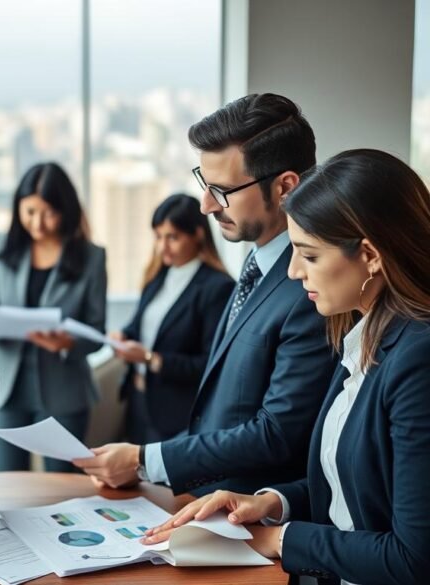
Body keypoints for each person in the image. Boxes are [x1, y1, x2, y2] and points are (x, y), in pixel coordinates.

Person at [145, 149, 430, 585]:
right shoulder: (360, 336)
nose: (295, 272)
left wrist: (279, 539)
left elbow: (413, 558)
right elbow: (353, 490)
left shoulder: (416, 359)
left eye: (309, 255)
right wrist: (270, 503)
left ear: (370, 255)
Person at [76, 93, 336, 495]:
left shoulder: (313, 289)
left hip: (253, 520)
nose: (206, 205)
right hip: (206, 504)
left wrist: (145, 461)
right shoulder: (254, 267)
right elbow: (218, 415)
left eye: (222, 190)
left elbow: (277, 433)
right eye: (204, 183)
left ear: (285, 187)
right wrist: (147, 460)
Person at [0, 162, 107, 473]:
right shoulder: (0, 248)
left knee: (60, 489)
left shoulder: (90, 257)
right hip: (8, 387)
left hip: (64, 390)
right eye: (30, 211)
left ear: (66, 210)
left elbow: (97, 330)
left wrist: (66, 342)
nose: (38, 223)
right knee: (8, 483)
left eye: (48, 213)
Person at [113, 193, 234, 444]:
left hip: (177, 412)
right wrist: (123, 336)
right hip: (140, 400)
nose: (162, 247)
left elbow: (210, 364)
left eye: (172, 237)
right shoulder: (158, 276)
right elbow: (142, 326)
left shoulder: (217, 287)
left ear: (198, 234)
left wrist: (151, 359)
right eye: (158, 237)